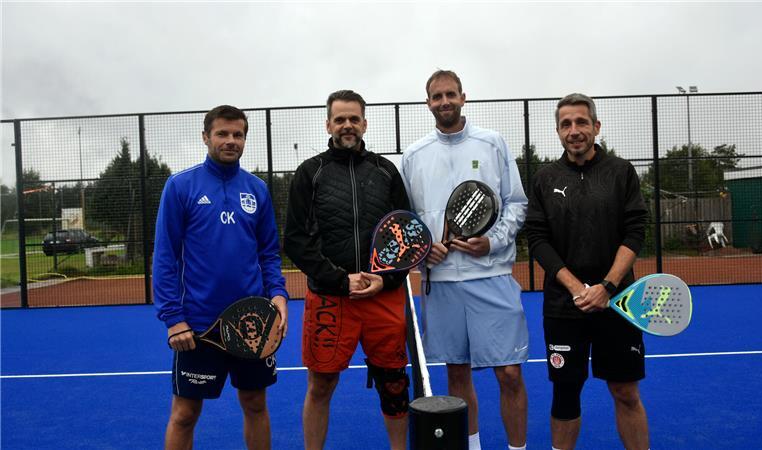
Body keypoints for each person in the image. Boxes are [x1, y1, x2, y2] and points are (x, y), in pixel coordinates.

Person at [401, 70, 529, 450]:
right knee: (457, 374)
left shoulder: (493, 143)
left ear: (463, 97)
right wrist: (425, 252)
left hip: (492, 275)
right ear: (428, 102)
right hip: (440, 283)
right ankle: (471, 446)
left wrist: (491, 241)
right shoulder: (414, 155)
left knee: (509, 374)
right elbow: (409, 221)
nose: (444, 102)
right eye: (437, 96)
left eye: (450, 94)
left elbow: (516, 204)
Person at [153, 105, 289, 450]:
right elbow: (165, 257)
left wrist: (278, 295)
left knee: (256, 404)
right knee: (185, 413)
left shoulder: (256, 189)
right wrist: (173, 319)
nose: (231, 141)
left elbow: (269, 253)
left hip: (253, 323)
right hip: (198, 326)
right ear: (206, 137)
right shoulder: (180, 186)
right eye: (222, 134)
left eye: (238, 135)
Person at [284, 90, 412, 450]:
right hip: (330, 297)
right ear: (328, 124)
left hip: (383, 297)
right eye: (340, 119)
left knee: (394, 383)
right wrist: (341, 280)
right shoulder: (310, 172)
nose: (347, 125)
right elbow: (295, 240)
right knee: (320, 384)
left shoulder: (386, 171)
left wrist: (385, 278)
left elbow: (407, 234)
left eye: (354, 118)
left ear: (364, 123)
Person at [525, 93, 649, 450]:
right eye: (566, 124)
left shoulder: (621, 172)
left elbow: (635, 231)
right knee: (565, 393)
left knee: (625, 391)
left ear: (596, 126)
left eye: (581, 122)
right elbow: (538, 240)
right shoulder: (545, 178)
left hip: (619, 304)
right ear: (558, 131)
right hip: (565, 307)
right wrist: (578, 288)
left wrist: (607, 287)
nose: (574, 130)